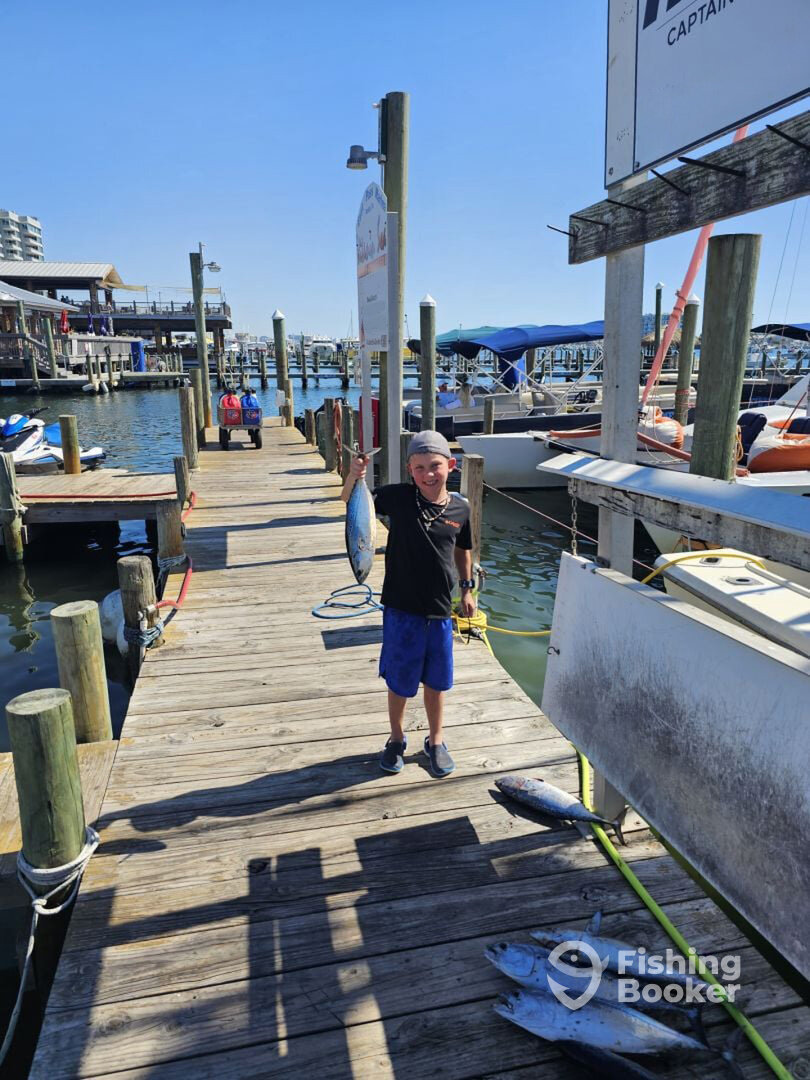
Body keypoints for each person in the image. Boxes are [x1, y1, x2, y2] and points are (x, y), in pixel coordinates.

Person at [341, 431, 476, 778]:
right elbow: (348, 500)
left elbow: (463, 551)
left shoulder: (461, 508)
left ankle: (436, 740)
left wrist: (467, 590)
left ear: (451, 465)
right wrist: (355, 474)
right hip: (401, 607)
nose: (428, 474)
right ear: (409, 470)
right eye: (419, 468)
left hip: (440, 609)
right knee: (399, 681)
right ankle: (397, 738)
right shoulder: (398, 497)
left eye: (435, 466)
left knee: (437, 682)